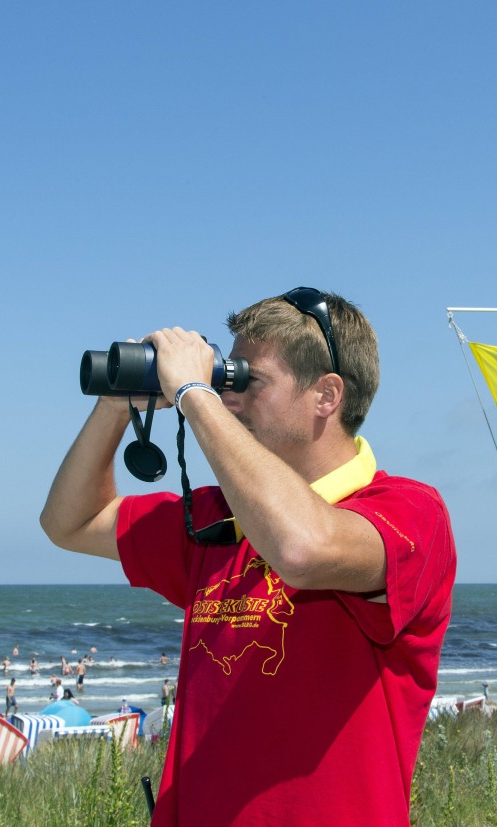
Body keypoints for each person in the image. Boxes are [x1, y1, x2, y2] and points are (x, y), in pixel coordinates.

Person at [41, 287, 456, 825]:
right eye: (224, 379)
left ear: (327, 395)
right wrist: (117, 406)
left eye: (245, 381)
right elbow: (68, 523)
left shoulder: (408, 514)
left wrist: (194, 391)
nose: (229, 398)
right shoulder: (215, 520)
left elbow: (302, 548)